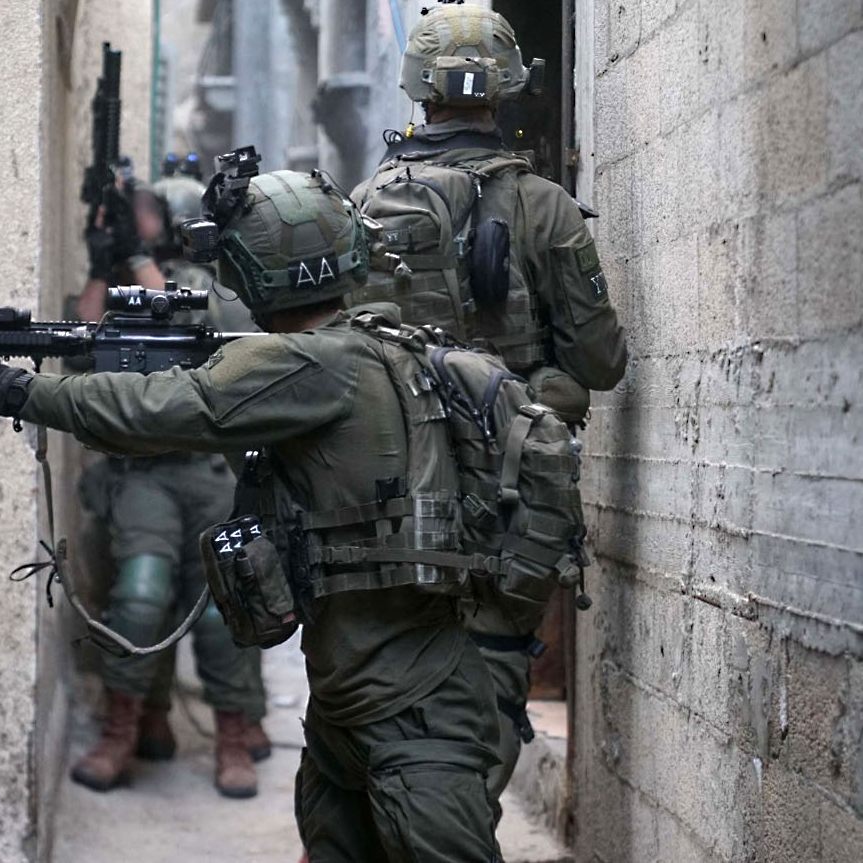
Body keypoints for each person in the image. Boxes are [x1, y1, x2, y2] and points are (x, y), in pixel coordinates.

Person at [0, 169, 504, 862]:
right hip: (357, 701)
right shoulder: (366, 345)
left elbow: (161, 410)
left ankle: (228, 728)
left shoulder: (312, 364)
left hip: (411, 714)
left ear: (257, 269)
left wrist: (13, 389)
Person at [351, 2, 628, 820]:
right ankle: (455, 821)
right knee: (493, 674)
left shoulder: (365, 203)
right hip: (511, 497)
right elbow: (600, 362)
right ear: (507, 87)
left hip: (390, 489)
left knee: (385, 674)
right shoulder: (544, 205)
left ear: (417, 88)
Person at [68, 176, 269, 799]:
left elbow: (187, 319)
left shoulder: (208, 284)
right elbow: (79, 344)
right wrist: (103, 264)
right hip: (141, 472)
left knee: (220, 606)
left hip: (205, 470)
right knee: (140, 593)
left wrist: (137, 258)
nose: (139, 221)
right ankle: (122, 729)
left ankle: (233, 734)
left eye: (147, 212)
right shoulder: (125, 281)